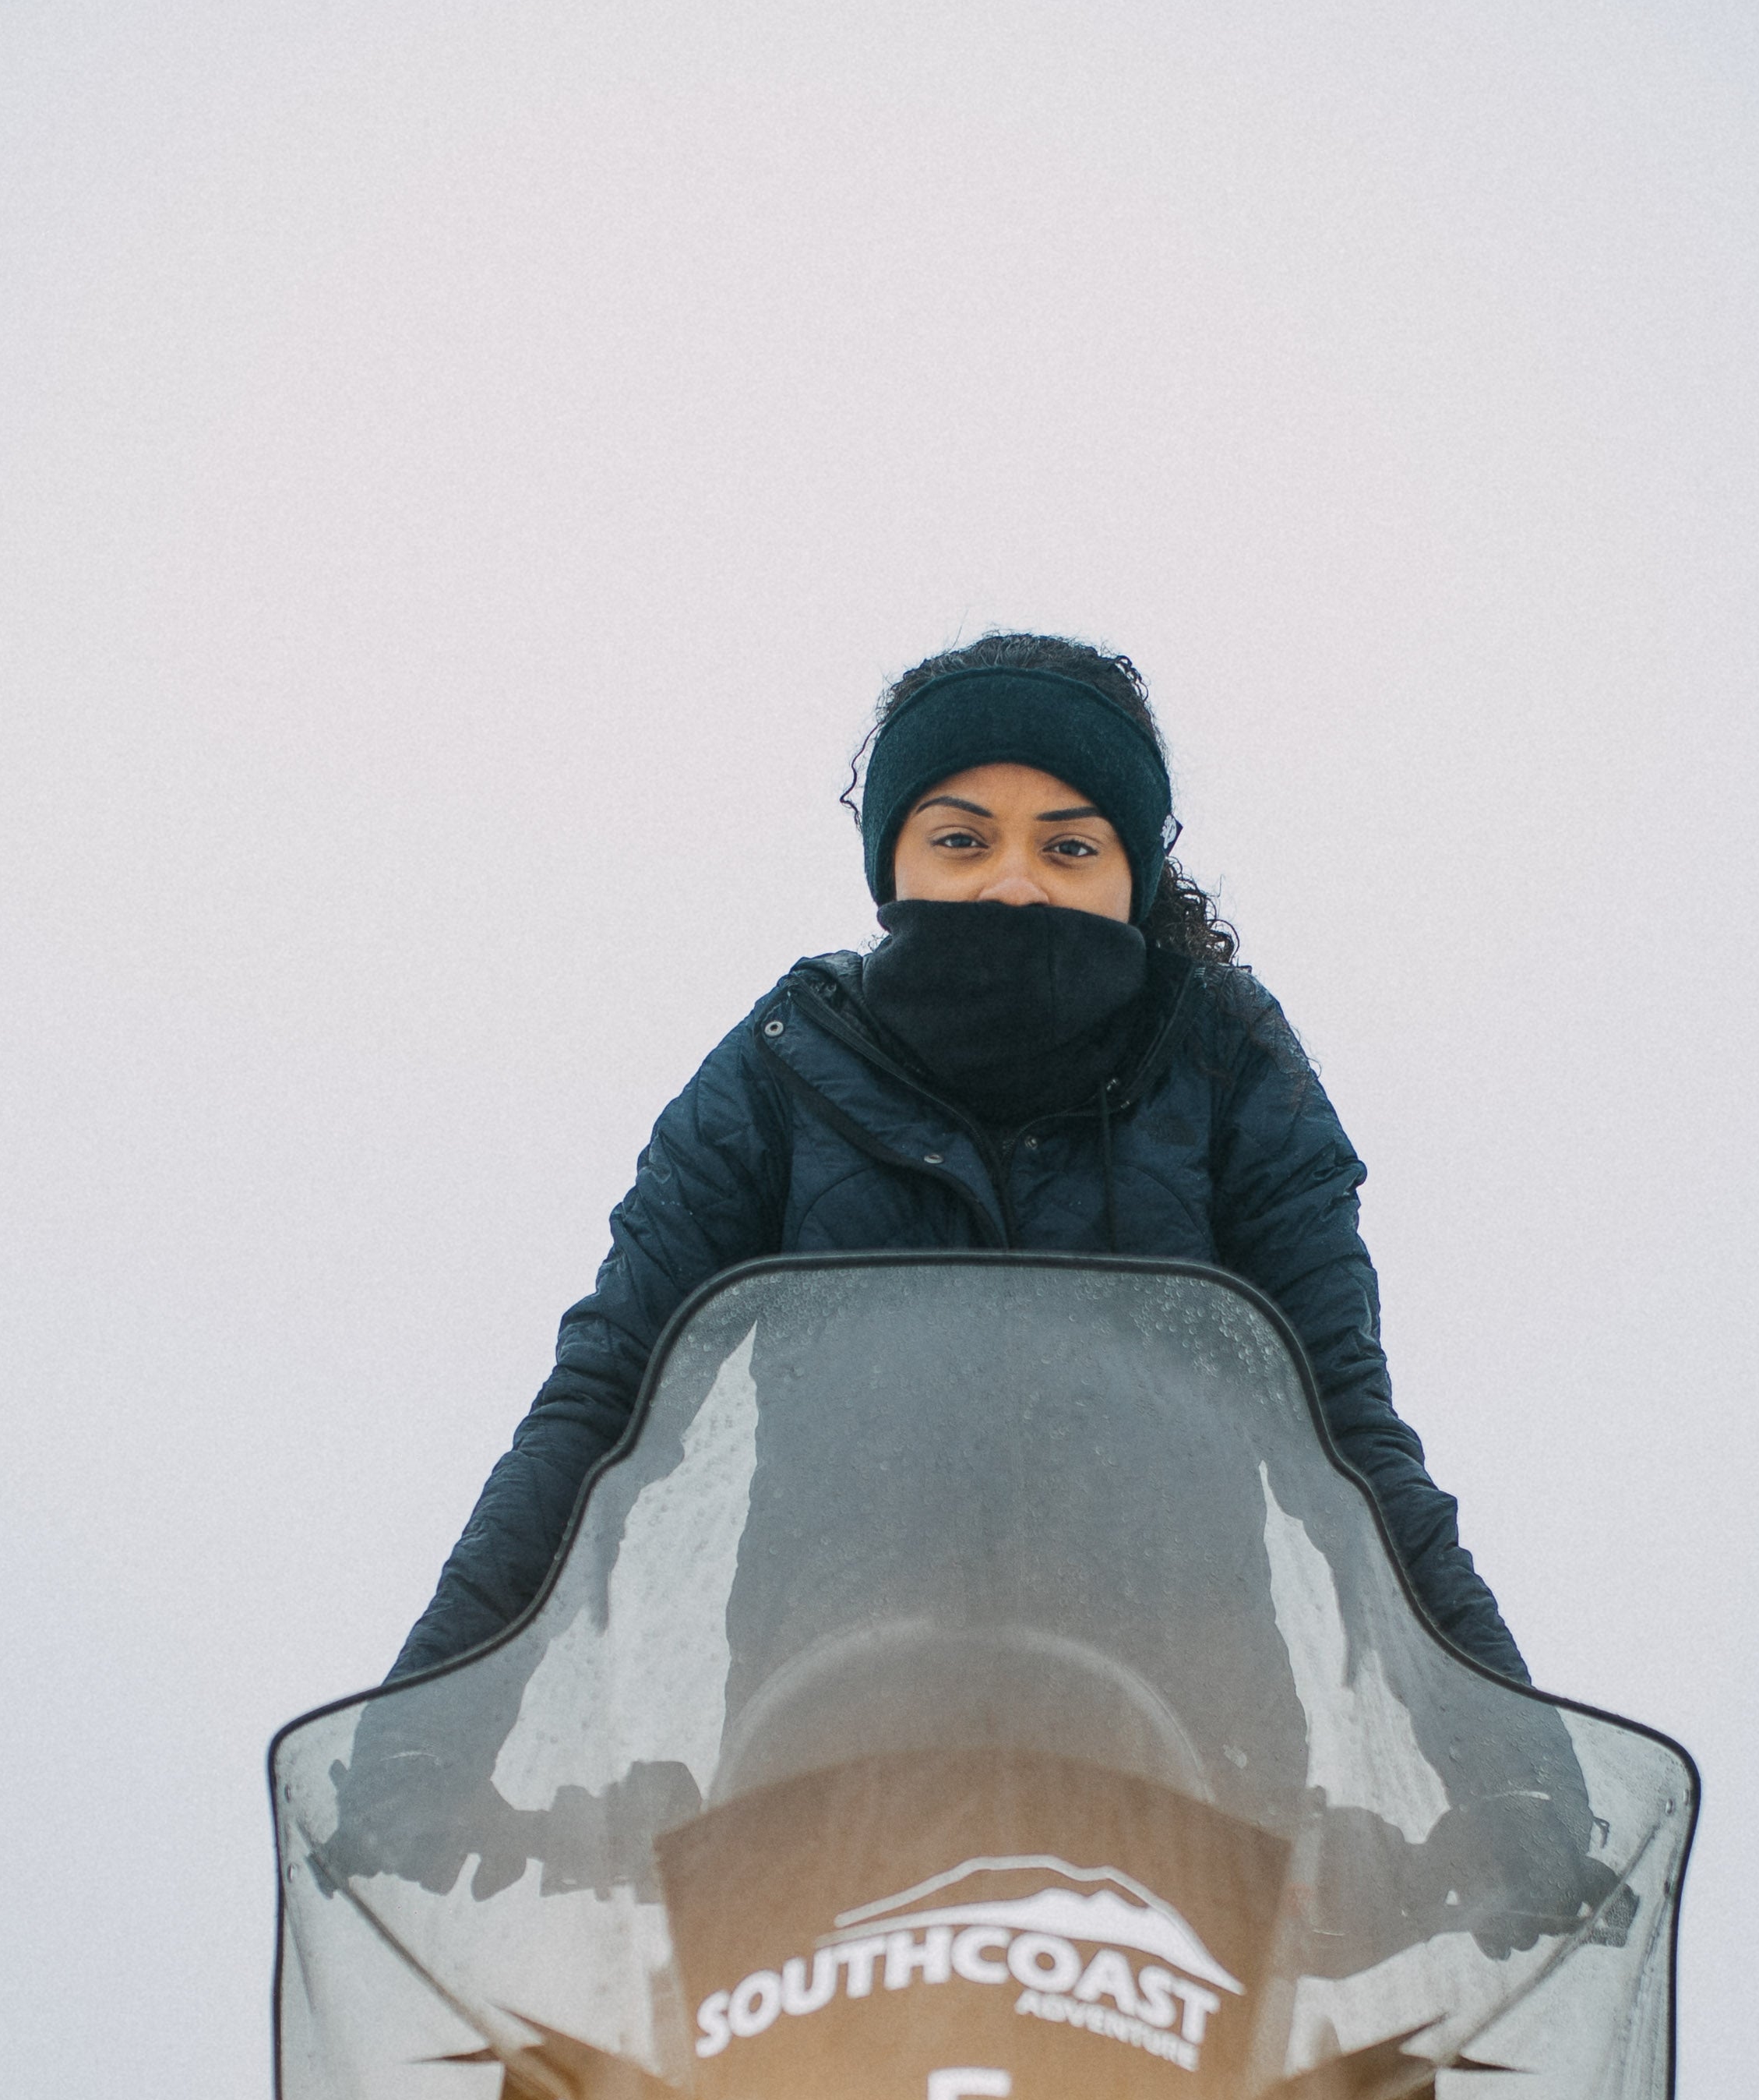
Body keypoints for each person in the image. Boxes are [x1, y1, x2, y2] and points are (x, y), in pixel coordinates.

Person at [389, 630, 1538, 1696]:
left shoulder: (1227, 1070)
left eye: (1070, 844)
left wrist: (1507, 1756)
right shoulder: (781, 1070)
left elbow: (1347, 1439)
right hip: (821, 1748)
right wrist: (431, 1717)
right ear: (891, 860)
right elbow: (600, 1411)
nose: (1015, 882)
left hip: (1191, 1755)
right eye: (960, 838)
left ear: (1130, 873)